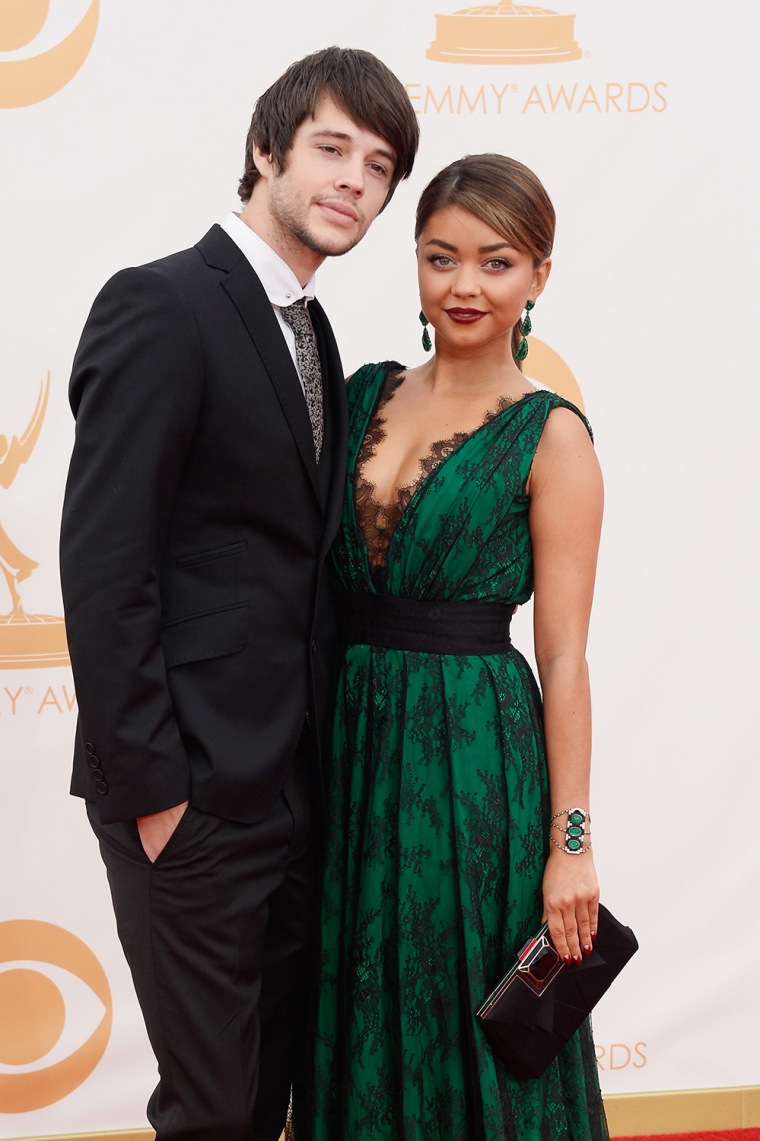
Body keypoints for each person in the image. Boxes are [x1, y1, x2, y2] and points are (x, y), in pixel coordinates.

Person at [59, 47, 419, 1141]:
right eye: (330, 147)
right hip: (193, 800)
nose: (355, 178)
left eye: (380, 163)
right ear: (265, 150)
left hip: (295, 791)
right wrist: (155, 797)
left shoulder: (311, 329)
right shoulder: (162, 304)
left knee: (273, 1094)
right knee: (213, 1112)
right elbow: (103, 562)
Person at [303, 154, 607, 1139]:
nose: (465, 285)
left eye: (495, 261)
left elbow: (563, 658)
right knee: (354, 989)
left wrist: (571, 846)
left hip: (474, 762)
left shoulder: (550, 437)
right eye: (441, 258)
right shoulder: (356, 393)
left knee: (462, 1006)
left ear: (538, 277)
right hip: (350, 751)